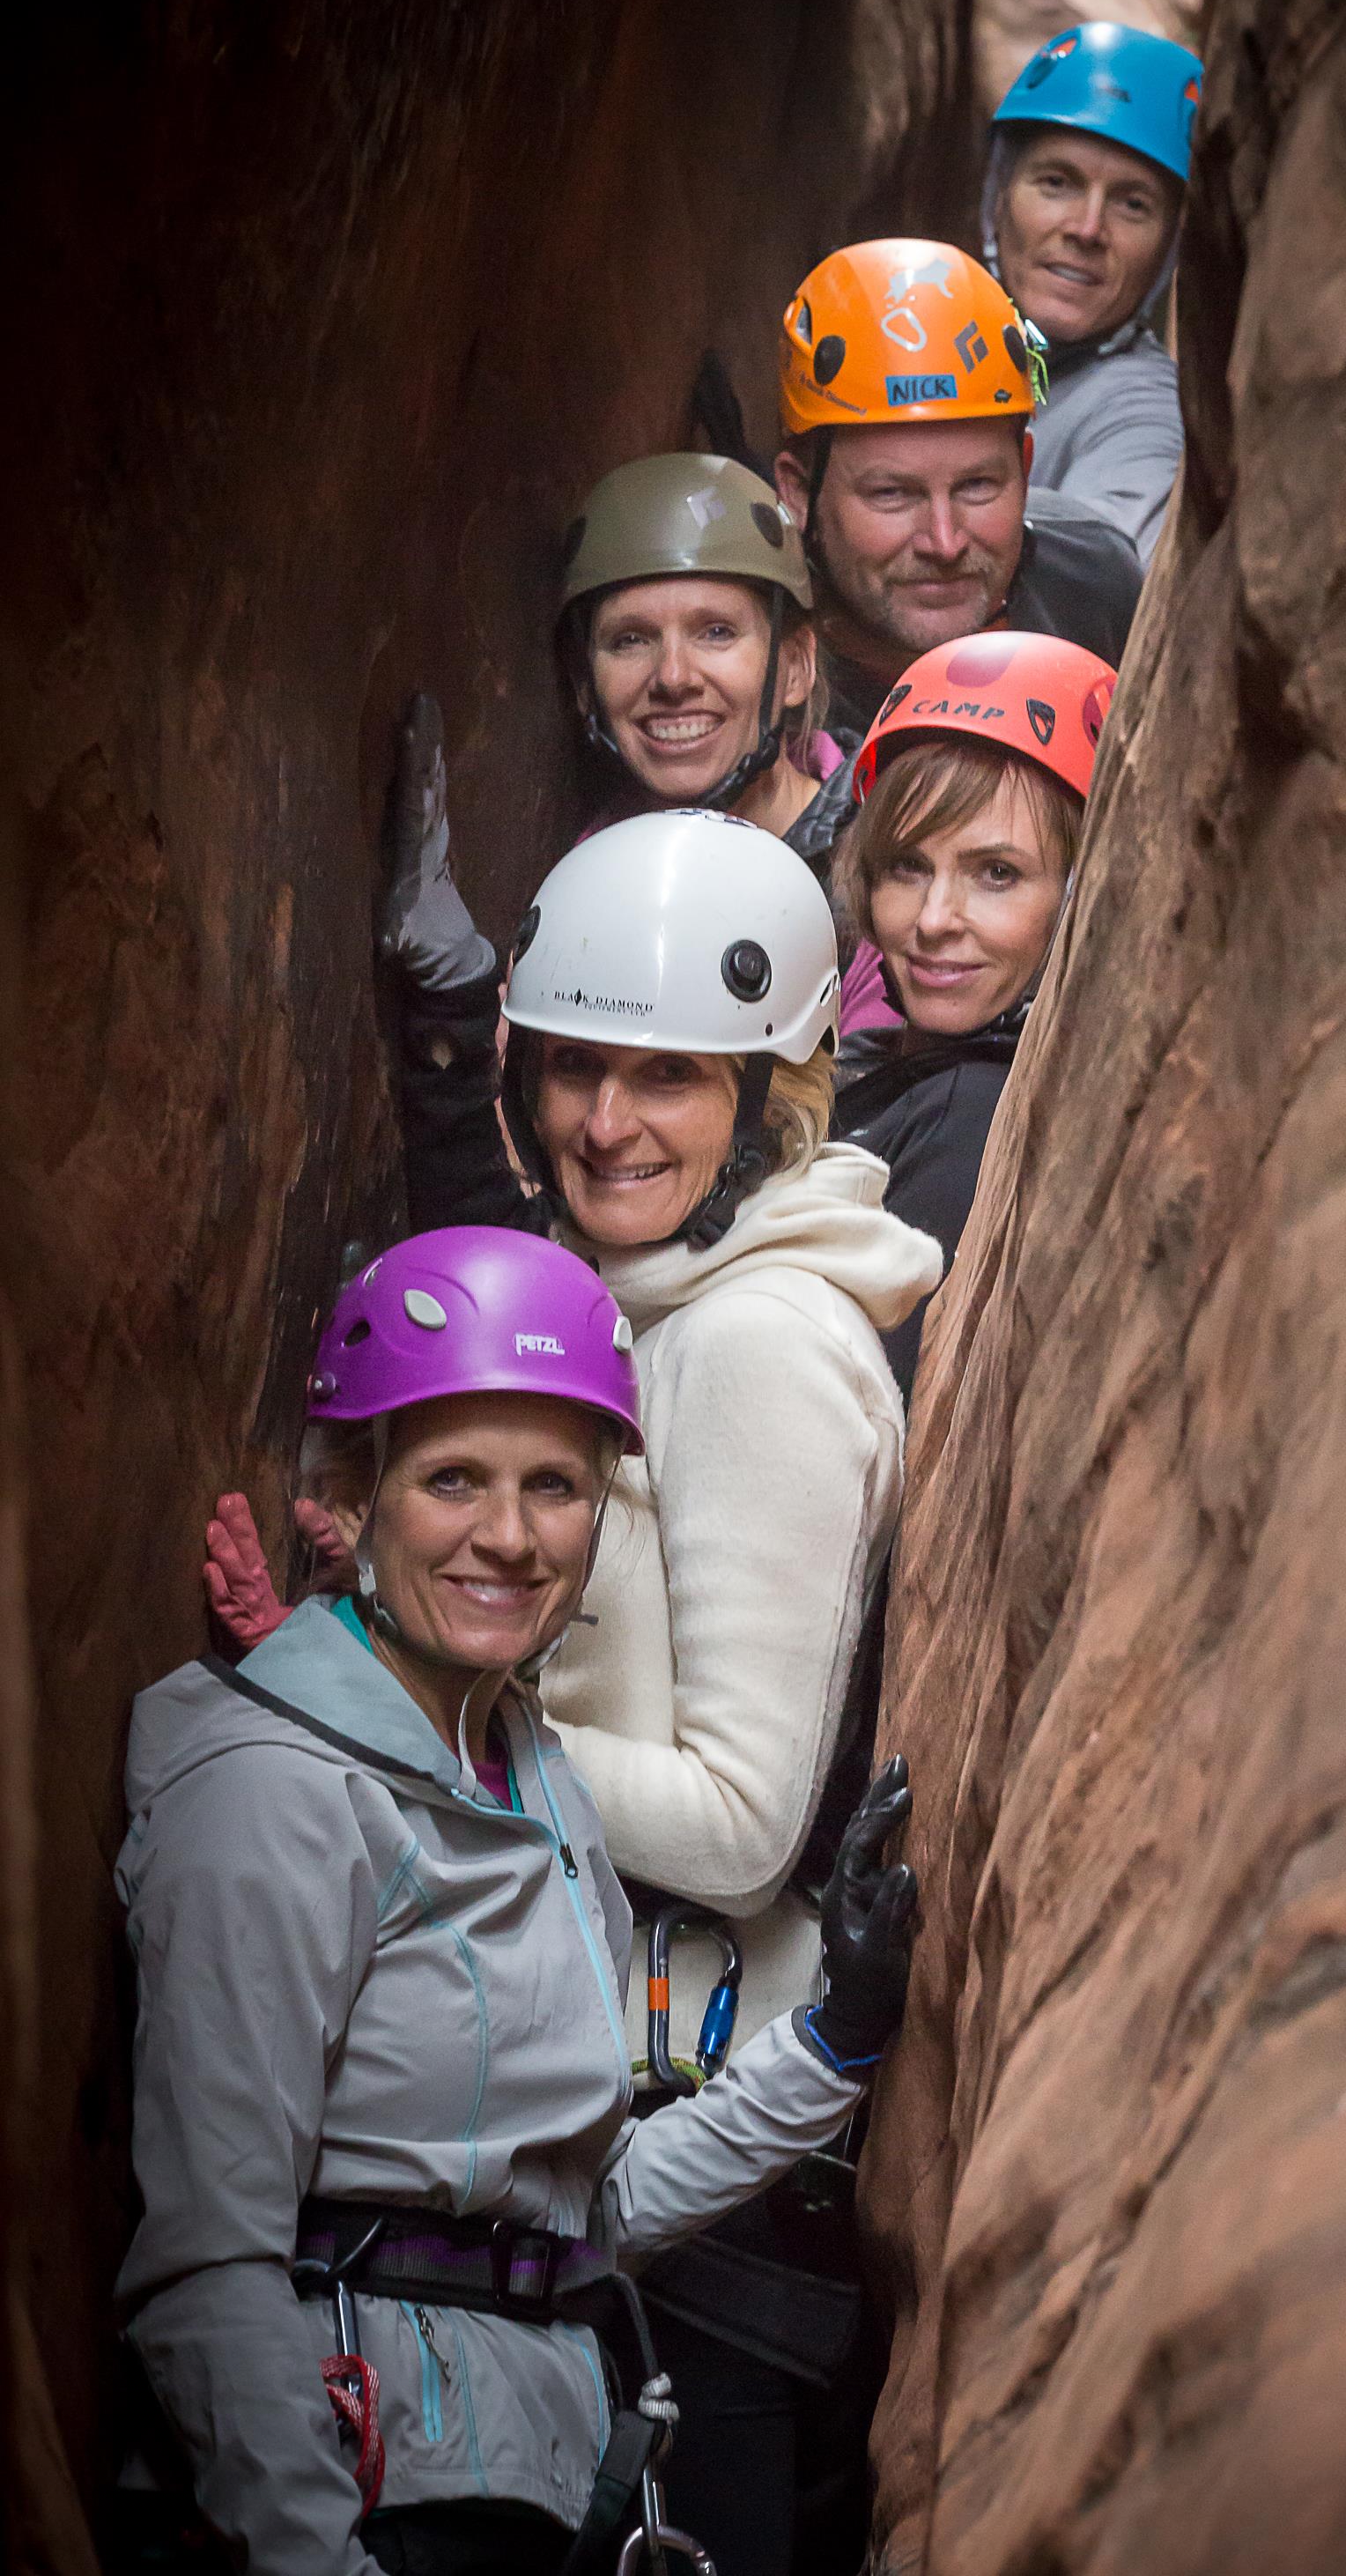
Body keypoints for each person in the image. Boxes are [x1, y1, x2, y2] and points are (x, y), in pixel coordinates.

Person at [204, 807, 942, 2573]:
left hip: (709, 2202)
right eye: (576, 1069)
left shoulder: (760, 1344)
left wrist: (374, 1708)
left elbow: (746, 1822)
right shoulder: (655, 1307)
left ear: (770, 1094)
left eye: (671, 1078)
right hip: (608, 2160)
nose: (607, 1123)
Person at [118, 1225, 919, 2575]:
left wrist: (834, 2040)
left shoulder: (533, 1778)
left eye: (556, 1485)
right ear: (356, 1491)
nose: (509, 1535)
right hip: (356, 2495)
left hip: (535, 2482)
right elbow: (206, 2269)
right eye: (452, 1480)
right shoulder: (275, 1795)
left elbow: (582, 2213)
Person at [772, 236, 1142, 876]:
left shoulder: (1091, 588)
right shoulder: (751, 670)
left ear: (1027, 471)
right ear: (798, 493)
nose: (944, 542)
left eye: (978, 487)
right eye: (891, 494)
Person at [831, 629, 1115, 1399]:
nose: (933, 919)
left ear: (1083, 895)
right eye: (907, 866)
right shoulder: (879, 1062)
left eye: (996, 874)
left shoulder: (970, 1120)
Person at [551, 451, 896, 1029]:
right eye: (631, 640)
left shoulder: (892, 865)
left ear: (793, 669)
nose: (673, 677)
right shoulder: (583, 888)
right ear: (585, 686)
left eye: (716, 632)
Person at [985, 22, 1204, 563]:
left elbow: (1094, 580)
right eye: (1057, 182)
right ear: (999, 195)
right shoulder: (923, 336)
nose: (1087, 229)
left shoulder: (1144, 411)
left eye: (1133, 204)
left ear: (1169, 250)